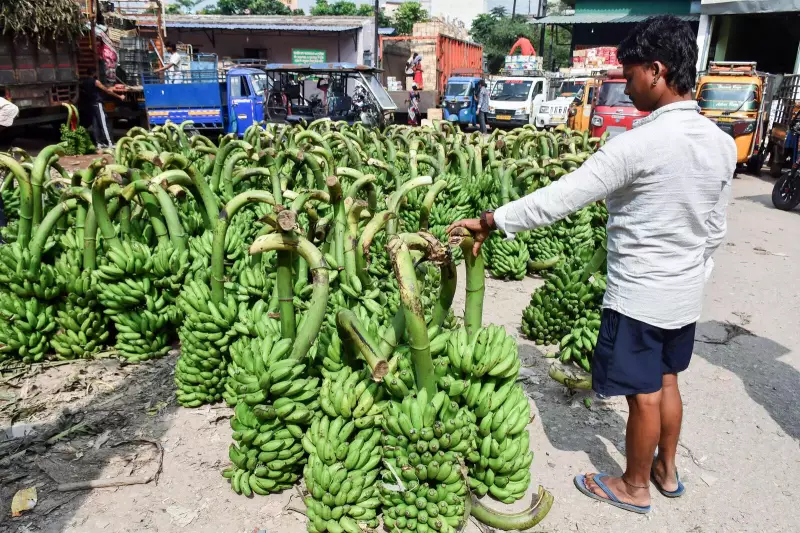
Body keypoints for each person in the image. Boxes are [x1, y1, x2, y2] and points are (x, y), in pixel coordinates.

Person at [447, 15, 736, 514]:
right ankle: (667, 473)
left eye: (631, 75)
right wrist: (693, 273)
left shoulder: (637, 145)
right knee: (668, 379)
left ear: (657, 71)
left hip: (640, 293)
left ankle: (634, 486)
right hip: (685, 290)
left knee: (643, 393)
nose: (627, 86)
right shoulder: (720, 143)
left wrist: (494, 219)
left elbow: (562, 198)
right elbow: (715, 228)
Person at [79, 66, 124, 149]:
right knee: (104, 123)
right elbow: (107, 91)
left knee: (95, 124)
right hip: (97, 103)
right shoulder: (96, 82)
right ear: (94, 73)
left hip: (91, 104)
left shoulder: (84, 82)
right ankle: (110, 143)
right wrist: (119, 96)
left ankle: (99, 143)